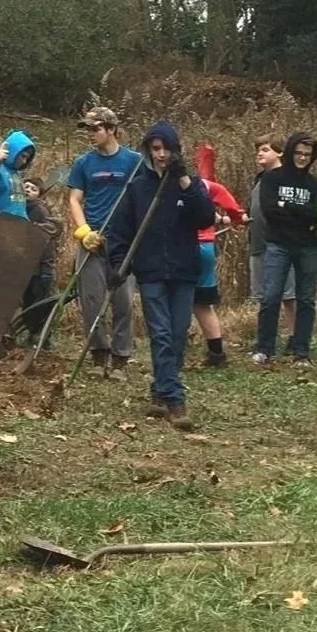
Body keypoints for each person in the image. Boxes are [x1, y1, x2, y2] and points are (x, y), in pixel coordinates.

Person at [105, 121, 215, 431]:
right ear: (148, 151)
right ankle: (174, 399)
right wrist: (118, 264)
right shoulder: (138, 188)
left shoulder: (188, 184)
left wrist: (182, 181)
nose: (162, 154)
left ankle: (159, 390)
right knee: (162, 334)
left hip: (183, 271)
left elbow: (205, 216)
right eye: (155, 149)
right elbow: (120, 230)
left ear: (176, 151)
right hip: (150, 272)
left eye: (167, 148)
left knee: (178, 334)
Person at [65, 107, 144, 380]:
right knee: (92, 301)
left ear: (112, 129)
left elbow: (145, 197)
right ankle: (99, 354)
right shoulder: (84, 163)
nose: (91, 134)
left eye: (96, 128)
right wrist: (83, 231)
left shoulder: (134, 161)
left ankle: (121, 358)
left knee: (123, 301)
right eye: (88, 129)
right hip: (92, 240)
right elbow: (75, 199)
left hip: (123, 242)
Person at [252, 132, 317, 366]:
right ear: (291, 151)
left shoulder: (316, 185)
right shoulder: (272, 179)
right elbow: (270, 211)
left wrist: (288, 207)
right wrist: (301, 214)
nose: (302, 158)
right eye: (298, 153)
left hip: (308, 247)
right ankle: (264, 348)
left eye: (307, 154)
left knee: (305, 299)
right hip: (278, 245)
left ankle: (301, 351)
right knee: (271, 297)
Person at [192, 176, 246, 367]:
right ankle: (217, 354)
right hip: (206, 247)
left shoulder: (165, 185)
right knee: (203, 304)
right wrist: (237, 216)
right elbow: (224, 197)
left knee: (178, 300)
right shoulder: (202, 185)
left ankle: (173, 352)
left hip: (184, 247)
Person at [247, 134, 296, 337]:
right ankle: (266, 336)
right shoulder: (260, 180)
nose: (260, 153)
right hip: (258, 244)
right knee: (263, 296)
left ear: (280, 153)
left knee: (288, 294)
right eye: (258, 150)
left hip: (280, 245)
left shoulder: (286, 178)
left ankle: (294, 335)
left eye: (265, 149)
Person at [20, 179, 62, 345]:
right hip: (26, 268)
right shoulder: (20, 209)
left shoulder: (39, 211)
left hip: (40, 268)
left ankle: (43, 338)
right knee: (28, 303)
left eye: (33, 188)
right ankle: (31, 335)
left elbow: (46, 242)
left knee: (41, 303)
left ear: (39, 194)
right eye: (26, 187)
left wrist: (46, 268)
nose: (28, 190)